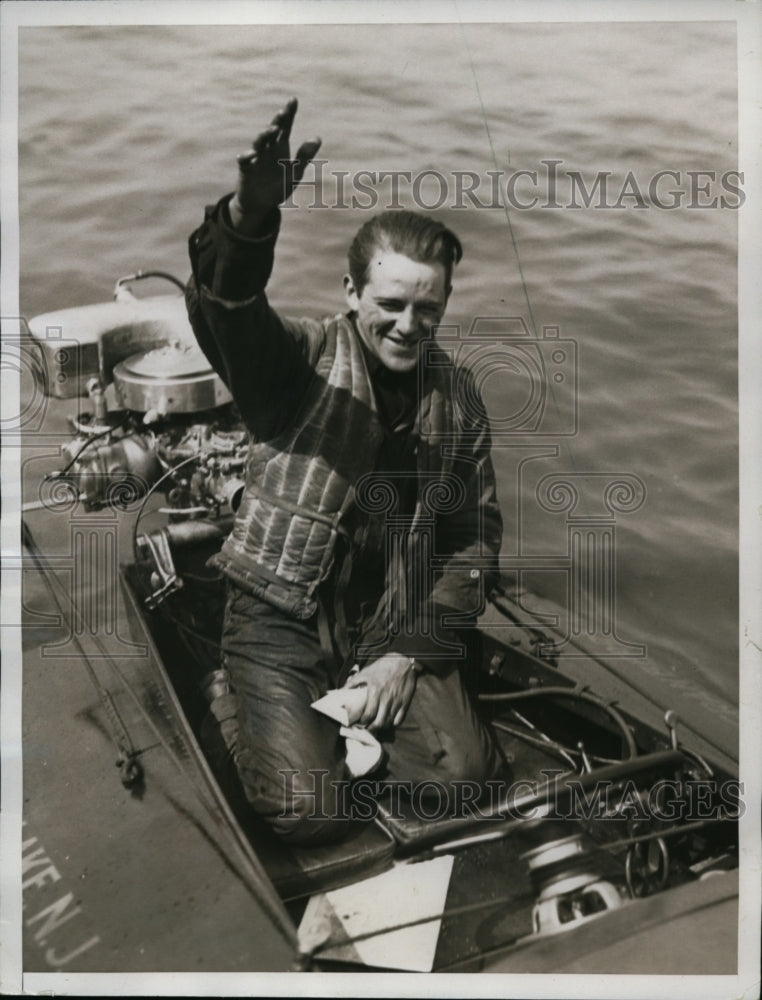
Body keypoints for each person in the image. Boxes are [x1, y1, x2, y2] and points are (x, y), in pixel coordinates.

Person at [186, 98, 504, 845]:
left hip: (386, 620)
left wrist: (406, 656)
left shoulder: (457, 398)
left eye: (428, 310)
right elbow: (227, 309)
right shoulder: (293, 363)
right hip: (279, 616)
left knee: (465, 780)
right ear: (351, 292)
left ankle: (344, 705)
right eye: (390, 303)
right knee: (310, 810)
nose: (407, 325)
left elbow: (473, 537)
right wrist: (247, 219)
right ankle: (234, 690)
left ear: (445, 305)